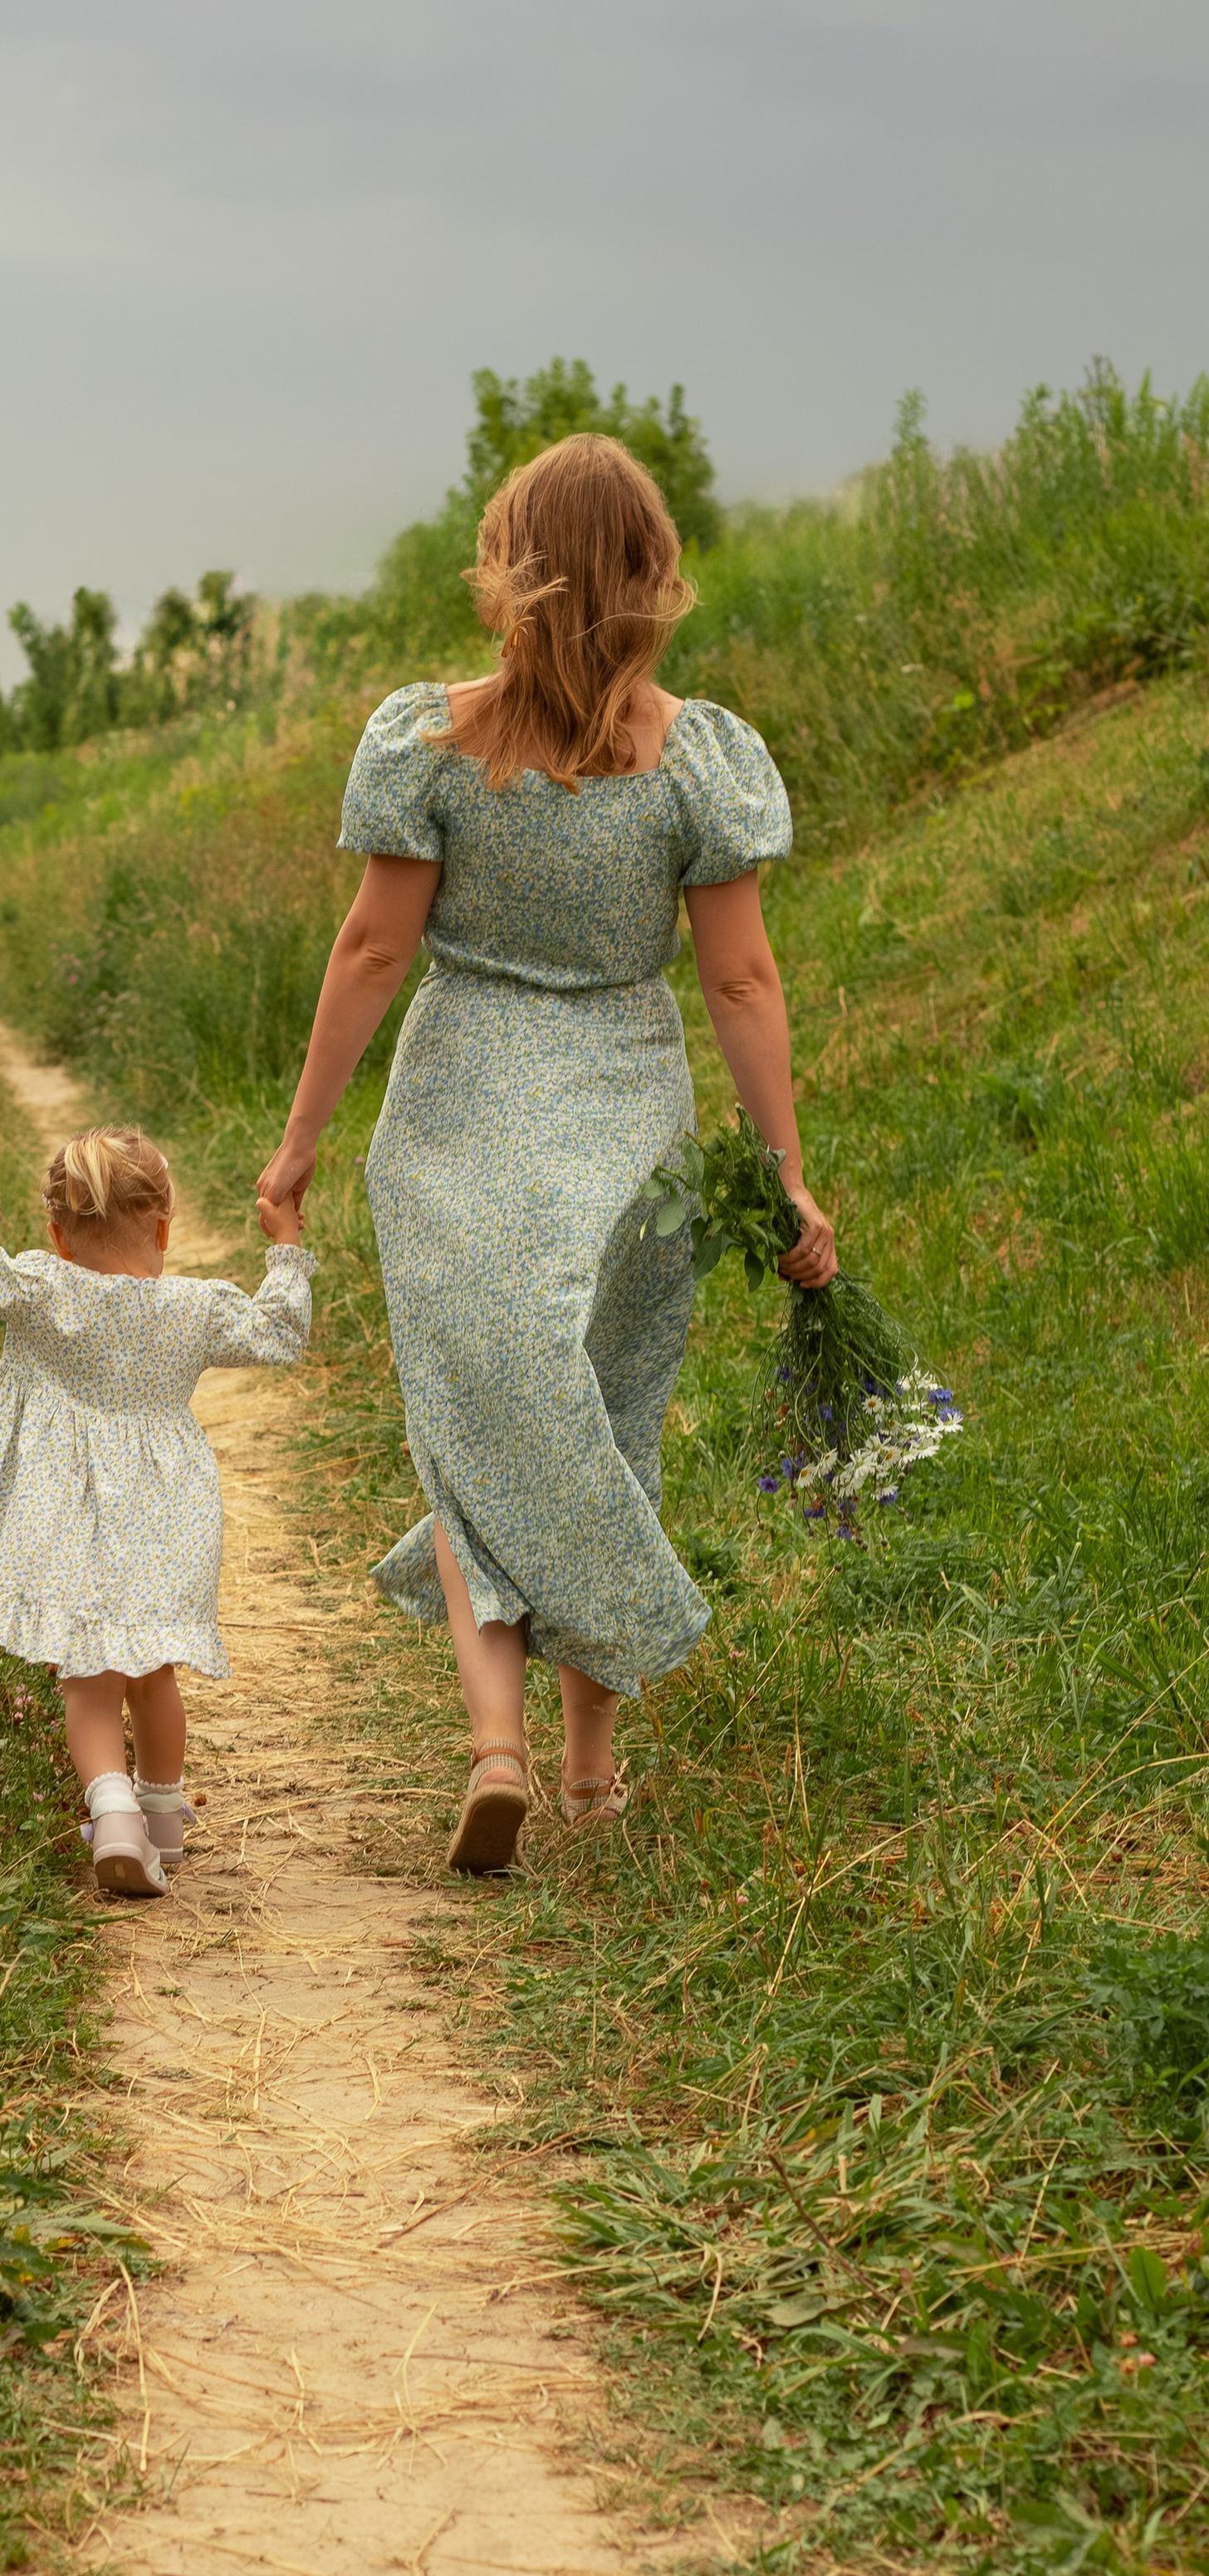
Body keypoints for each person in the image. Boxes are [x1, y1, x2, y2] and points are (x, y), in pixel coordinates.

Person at [257, 431, 835, 1877]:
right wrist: (782, 1169)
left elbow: (377, 946)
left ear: (509, 570)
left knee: (476, 1420)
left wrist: (299, 1146)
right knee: (601, 1410)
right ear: (652, 576)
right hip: (628, 1112)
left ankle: (496, 1746)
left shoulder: (434, 740)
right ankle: (587, 1773)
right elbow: (743, 984)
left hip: (455, 1106)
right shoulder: (696, 757)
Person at [0, 1128, 315, 1896]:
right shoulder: (195, 1307)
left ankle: (112, 1815)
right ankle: (165, 1821)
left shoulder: (43, 1287)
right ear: (166, 1228)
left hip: (66, 1520)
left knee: (89, 1682)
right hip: (168, 1516)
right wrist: (286, 1249)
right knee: (153, 1674)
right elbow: (280, 1334)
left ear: (57, 1233)